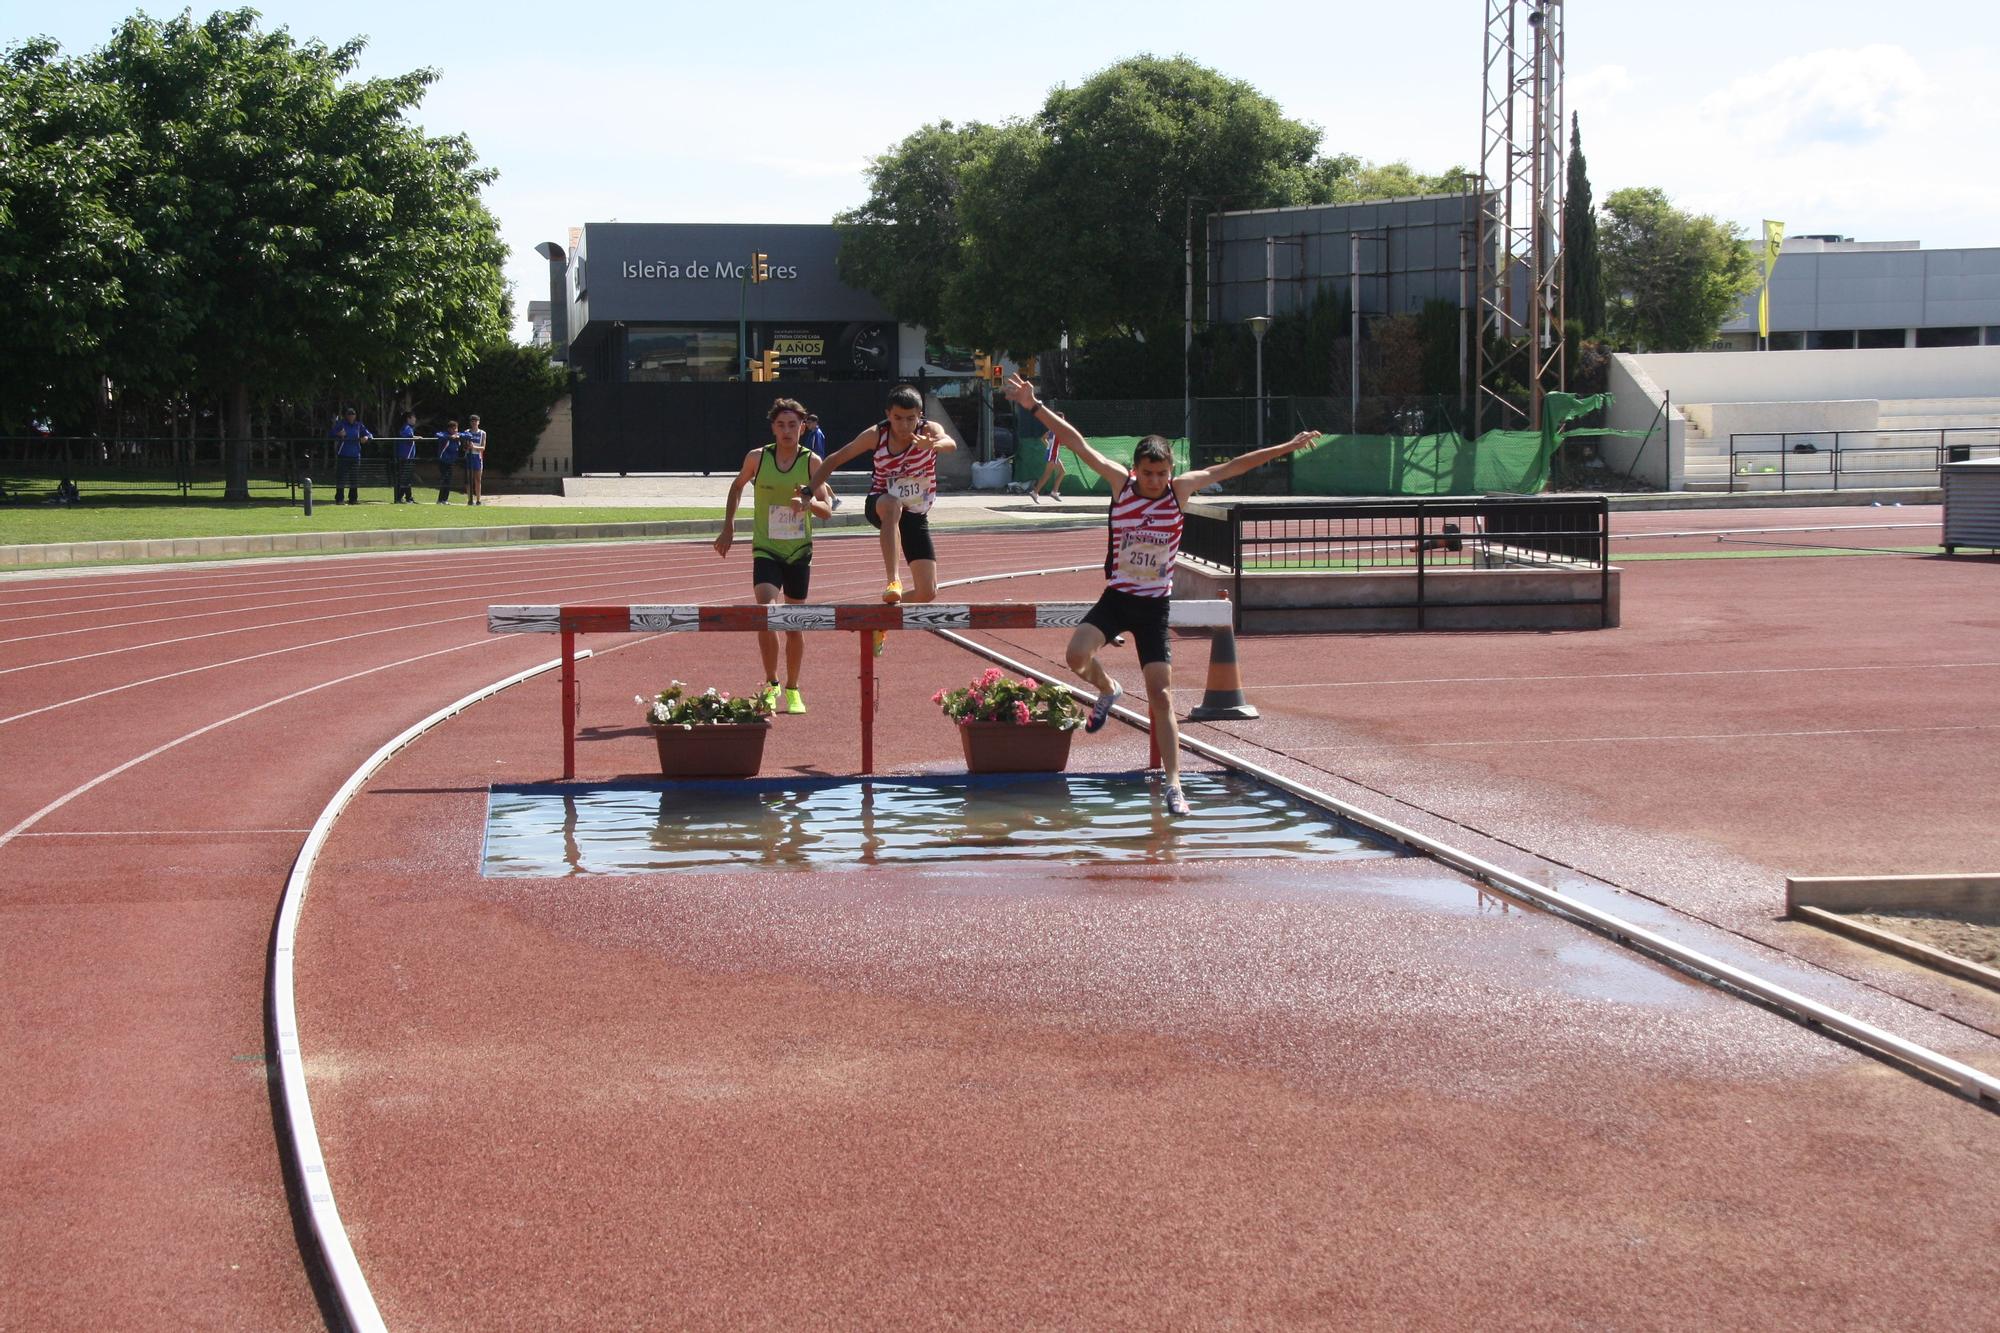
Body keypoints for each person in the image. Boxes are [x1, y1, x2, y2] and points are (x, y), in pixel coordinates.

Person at [1006, 372, 1321, 817]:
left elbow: (1238, 465)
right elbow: (1077, 443)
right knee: (1075, 655)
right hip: (1118, 597)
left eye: (1161, 473)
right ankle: (1108, 687)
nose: (1154, 481)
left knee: (1162, 696)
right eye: (1148, 474)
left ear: (1170, 471)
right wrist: (1034, 406)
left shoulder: (1180, 491)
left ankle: (1174, 785)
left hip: (1153, 606)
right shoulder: (1121, 484)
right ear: (1136, 470)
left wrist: (1288, 445)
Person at [803, 385, 954, 656]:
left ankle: (880, 620)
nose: (904, 425)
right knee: (892, 505)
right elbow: (835, 459)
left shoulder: (929, 431)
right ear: (888, 415)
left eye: (911, 418)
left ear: (920, 415)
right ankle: (892, 580)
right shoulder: (877, 434)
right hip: (881, 504)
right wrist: (809, 489)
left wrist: (933, 444)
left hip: (915, 514)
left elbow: (949, 443)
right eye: (898, 418)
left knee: (927, 591)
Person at [715, 398, 834, 714]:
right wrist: (728, 527)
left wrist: (807, 504)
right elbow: (737, 486)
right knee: (766, 614)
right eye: (781, 425)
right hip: (766, 548)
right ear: (772, 427)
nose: (786, 431)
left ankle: (793, 688)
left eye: (792, 425)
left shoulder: (811, 462)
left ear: (802, 426)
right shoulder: (758, 458)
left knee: (793, 623)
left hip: (798, 550)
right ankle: (771, 684)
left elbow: (827, 510)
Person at [328, 408, 371, 504]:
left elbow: (369, 434)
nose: (351, 416)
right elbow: (330, 433)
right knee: (341, 478)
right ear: (346, 416)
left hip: (355, 456)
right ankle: (339, 499)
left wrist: (366, 437)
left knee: (354, 478)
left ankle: (353, 499)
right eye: (349, 414)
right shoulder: (341, 424)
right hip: (343, 455)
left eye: (353, 414)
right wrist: (338, 434)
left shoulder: (359, 425)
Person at [802, 412, 839, 510]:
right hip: (813, 462)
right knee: (818, 481)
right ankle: (835, 499)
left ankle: (834, 499)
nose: (807, 425)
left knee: (818, 481)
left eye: (809, 422)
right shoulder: (814, 433)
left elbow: (815, 450)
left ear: (815, 422)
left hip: (814, 462)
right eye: (807, 422)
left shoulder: (816, 434)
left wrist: (812, 462)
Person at [1028, 428, 1066, 502]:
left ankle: (1054, 492)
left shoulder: (1053, 429)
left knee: (1062, 472)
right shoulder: (1056, 429)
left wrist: (1049, 447)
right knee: (1047, 475)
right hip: (1052, 455)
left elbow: (1043, 438)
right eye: (1062, 419)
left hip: (1053, 454)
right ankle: (1035, 492)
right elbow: (1061, 442)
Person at [392, 411, 419, 503]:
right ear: (409, 418)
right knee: (405, 478)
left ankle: (409, 497)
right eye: (413, 417)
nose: (415, 419)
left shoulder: (408, 428)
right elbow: (406, 436)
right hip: (405, 457)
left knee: (407, 478)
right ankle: (399, 498)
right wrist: (414, 437)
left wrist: (416, 437)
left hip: (408, 457)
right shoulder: (406, 427)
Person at [461, 414, 487, 505]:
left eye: (476, 421)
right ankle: (469, 499)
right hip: (469, 456)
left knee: (478, 479)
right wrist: (467, 447)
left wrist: (474, 447)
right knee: (469, 479)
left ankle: (478, 500)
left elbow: (483, 447)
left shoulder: (482, 433)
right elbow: (464, 447)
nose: (474, 423)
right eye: (472, 421)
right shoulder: (467, 432)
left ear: (478, 422)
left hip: (478, 457)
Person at [435, 419, 462, 503]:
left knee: (448, 480)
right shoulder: (444, 435)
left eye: (456, 429)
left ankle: (444, 499)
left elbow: (467, 435)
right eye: (453, 429)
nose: (455, 430)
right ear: (449, 429)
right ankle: (441, 499)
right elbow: (438, 434)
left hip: (451, 462)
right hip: (443, 461)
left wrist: (458, 436)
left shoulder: (457, 435)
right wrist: (450, 437)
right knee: (445, 479)